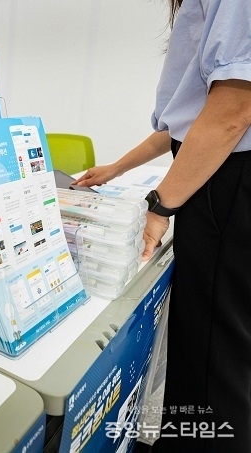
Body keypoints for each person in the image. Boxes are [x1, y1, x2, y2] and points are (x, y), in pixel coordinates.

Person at [74, 1, 251, 450]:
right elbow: (185, 122)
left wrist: (159, 207)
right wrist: (116, 168)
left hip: (225, 179)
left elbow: (232, 110)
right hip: (215, 172)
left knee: (212, 357)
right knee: (211, 347)